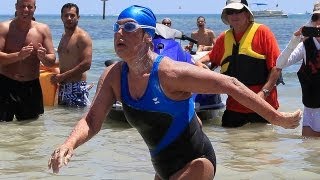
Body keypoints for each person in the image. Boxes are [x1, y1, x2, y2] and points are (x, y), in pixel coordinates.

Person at [48, 5, 301, 180]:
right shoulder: (114, 75)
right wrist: (69, 143)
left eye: (129, 27)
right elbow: (92, 121)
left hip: (196, 161)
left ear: (148, 36)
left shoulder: (169, 73)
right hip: (163, 168)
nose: (118, 33)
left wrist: (277, 119)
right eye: (117, 27)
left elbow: (230, 84)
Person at [196, 0, 282, 128]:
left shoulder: (263, 32)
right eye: (230, 12)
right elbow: (212, 57)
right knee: (231, 144)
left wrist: (263, 94)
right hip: (234, 106)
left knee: (264, 146)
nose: (234, 15)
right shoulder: (224, 37)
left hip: (263, 105)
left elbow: (277, 67)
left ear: (247, 14)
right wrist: (198, 62)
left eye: (238, 11)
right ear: (227, 16)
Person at [0, 0, 56, 121]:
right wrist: (18, 56)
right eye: (22, 6)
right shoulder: (4, 27)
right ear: (16, 7)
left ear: (35, 8)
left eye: (29, 7)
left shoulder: (43, 29)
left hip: (31, 86)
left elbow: (52, 58)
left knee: (30, 129)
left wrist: (44, 57)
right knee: (2, 126)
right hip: (5, 83)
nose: (25, 10)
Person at [276, 2, 320, 137]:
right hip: (312, 108)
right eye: (315, 18)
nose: (319, 22)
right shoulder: (305, 45)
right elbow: (280, 64)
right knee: (310, 154)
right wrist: (295, 39)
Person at [50, 3, 93, 108]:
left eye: (72, 15)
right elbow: (66, 60)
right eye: (66, 15)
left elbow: (86, 64)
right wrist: (47, 64)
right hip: (63, 86)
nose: (69, 18)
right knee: (64, 121)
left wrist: (62, 76)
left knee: (75, 120)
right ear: (61, 18)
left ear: (78, 17)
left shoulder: (82, 37)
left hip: (76, 87)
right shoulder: (64, 36)